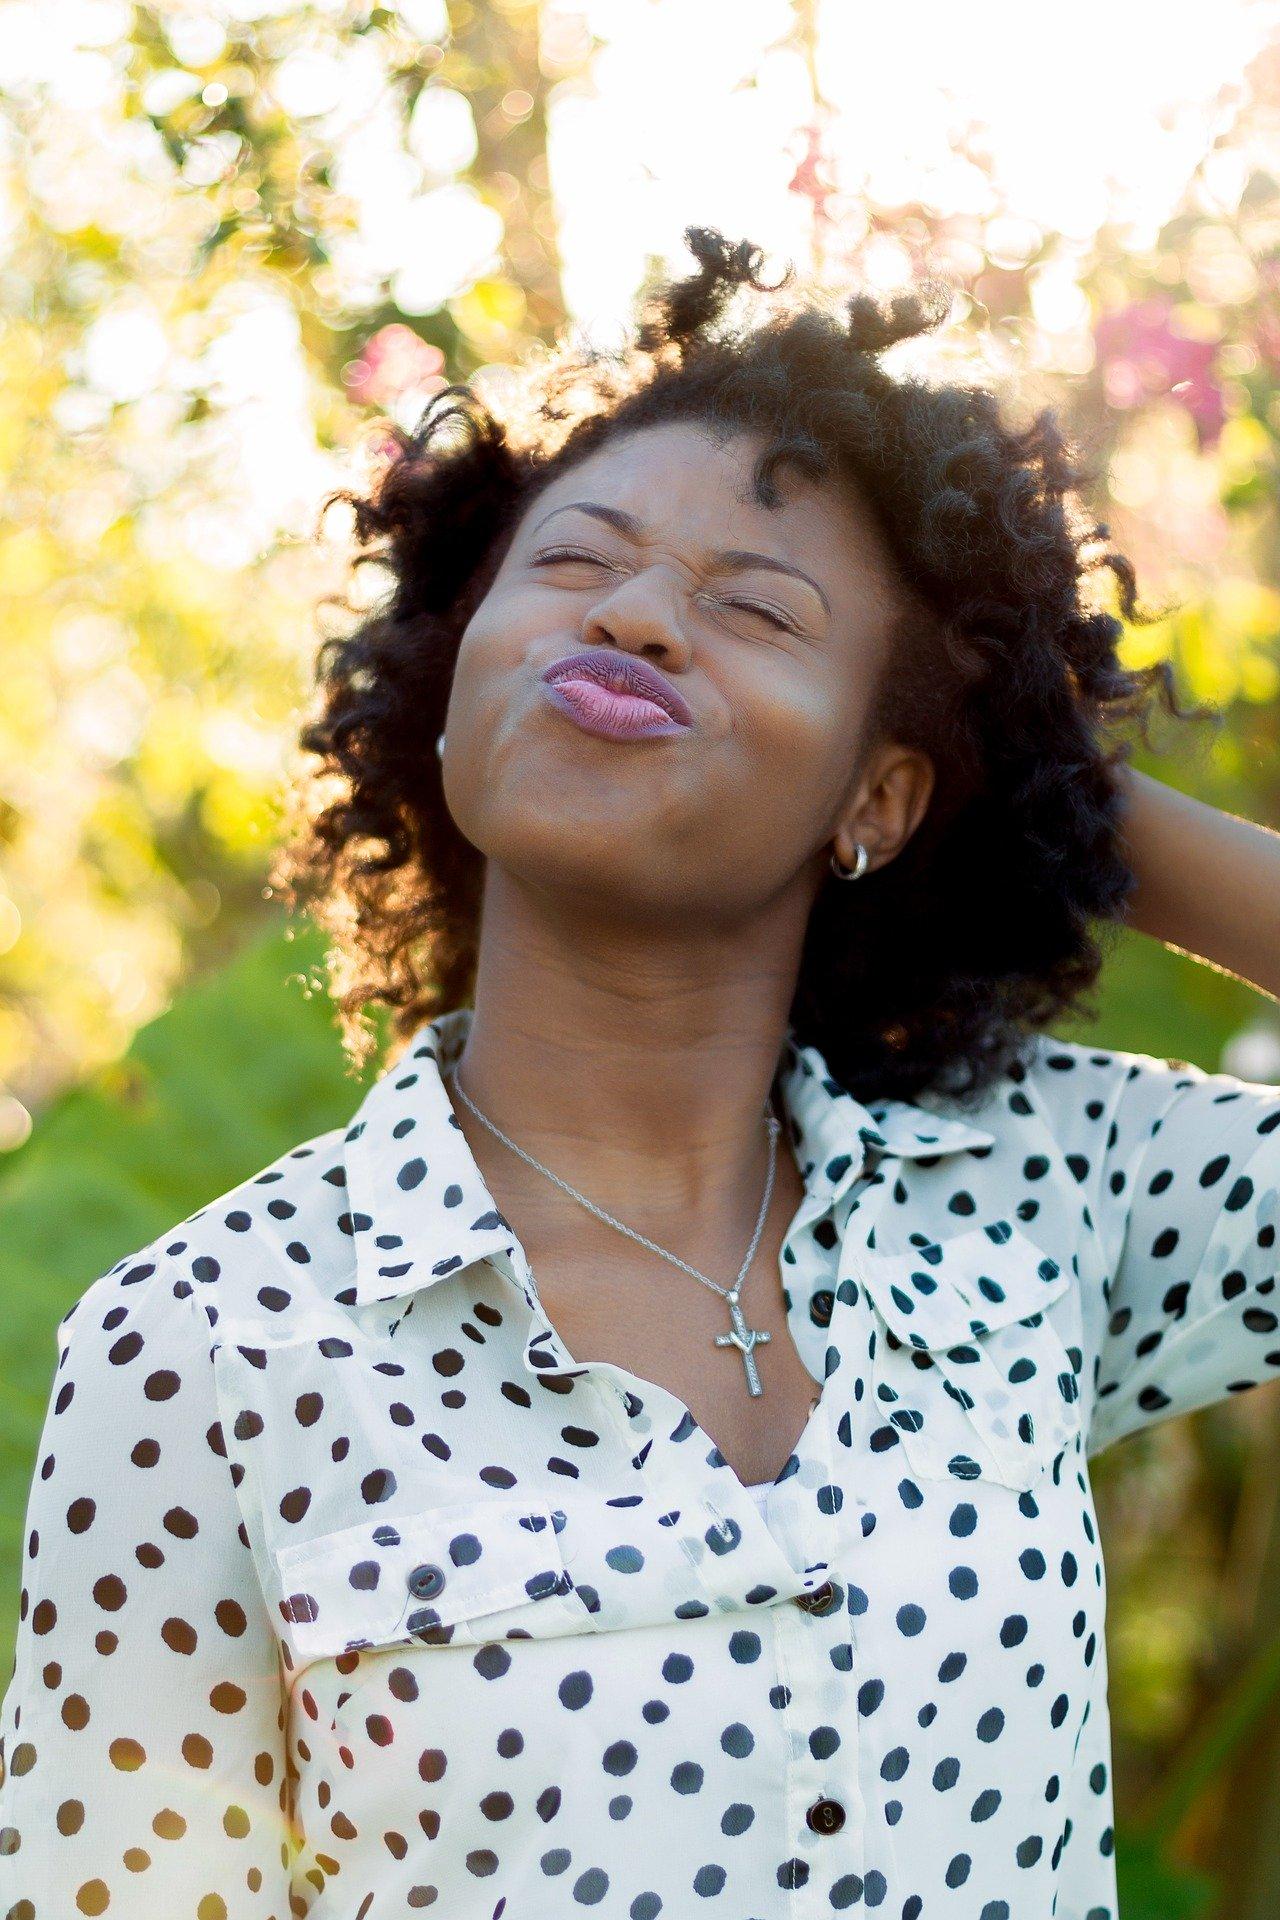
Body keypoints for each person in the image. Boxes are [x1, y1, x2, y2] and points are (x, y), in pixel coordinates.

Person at [2, 225, 1278, 1920]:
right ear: (445, 700)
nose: (635, 613)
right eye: (573, 563)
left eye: (754, 608)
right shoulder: (204, 1343)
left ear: (877, 800)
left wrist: (1065, 797)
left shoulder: (1049, 1191)